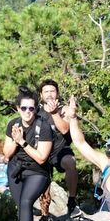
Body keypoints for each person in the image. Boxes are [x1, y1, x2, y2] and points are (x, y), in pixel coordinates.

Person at [3, 88, 54, 221]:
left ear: (36, 108)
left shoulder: (43, 126)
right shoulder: (13, 124)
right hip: (16, 168)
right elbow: (7, 154)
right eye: (24, 108)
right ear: (18, 108)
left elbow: (42, 157)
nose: (27, 111)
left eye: (31, 108)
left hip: (37, 171)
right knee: (21, 204)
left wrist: (22, 142)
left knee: (26, 201)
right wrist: (15, 139)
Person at [40, 79, 79, 212]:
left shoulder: (65, 110)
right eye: (46, 91)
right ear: (41, 95)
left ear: (57, 93)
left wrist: (54, 113)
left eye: (52, 91)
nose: (49, 94)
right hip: (43, 152)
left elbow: (64, 129)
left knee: (70, 162)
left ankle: (72, 199)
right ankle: (45, 213)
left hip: (61, 150)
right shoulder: (36, 113)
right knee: (42, 177)